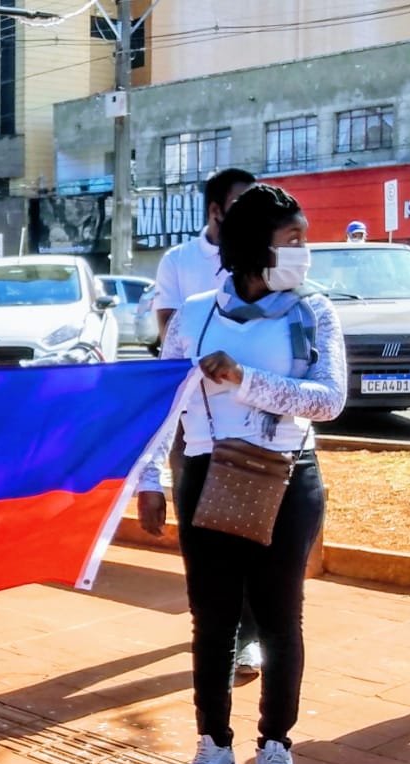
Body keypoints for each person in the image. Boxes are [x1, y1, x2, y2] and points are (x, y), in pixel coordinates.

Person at [136, 185, 346, 764]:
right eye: (293, 240)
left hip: (285, 474)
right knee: (213, 621)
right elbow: (162, 403)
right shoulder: (195, 314)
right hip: (207, 474)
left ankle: (276, 746)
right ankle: (214, 746)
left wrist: (243, 380)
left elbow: (329, 399)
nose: (305, 253)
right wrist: (150, 481)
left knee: (281, 621)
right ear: (256, 246)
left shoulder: (315, 311)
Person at [151, 167, 266, 683]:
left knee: (250, 537)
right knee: (202, 534)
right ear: (216, 210)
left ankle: (247, 638)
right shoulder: (179, 262)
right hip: (195, 426)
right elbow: (173, 340)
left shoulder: (269, 260)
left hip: (253, 422)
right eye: (242, 202)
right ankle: (214, 630)